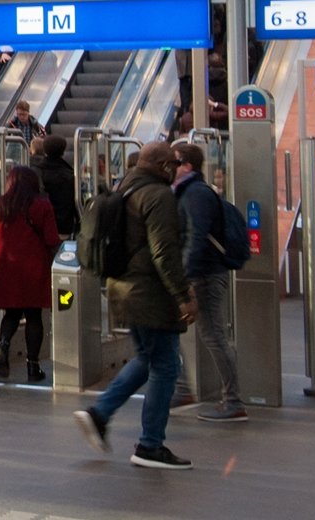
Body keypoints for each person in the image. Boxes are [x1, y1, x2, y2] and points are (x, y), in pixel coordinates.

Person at [72, 143, 198, 471]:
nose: (176, 168)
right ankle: (150, 445)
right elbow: (164, 252)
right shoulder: (158, 196)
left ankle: (99, 414)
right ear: (160, 165)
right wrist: (183, 294)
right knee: (167, 366)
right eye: (174, 163)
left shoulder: (124, 188)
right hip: (150, 293)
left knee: (148, 358)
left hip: (122, 287)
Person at [172, 143, 246, 422]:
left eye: (174, 162)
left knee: (214, 336)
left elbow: (196, 237)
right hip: (199, 273)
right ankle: (182, 388)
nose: (169, 167)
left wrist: (185, 277)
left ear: (187, 165)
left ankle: (234, 401)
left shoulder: (196, 194)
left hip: (205, 275)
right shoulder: (188, 192)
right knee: (177, 330)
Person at [0, 166, 60, 382]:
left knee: (12, 314)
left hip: (5, 267)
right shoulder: (42, 205)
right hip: (34, 268)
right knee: (34, 316)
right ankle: (33, 367)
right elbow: (52, 239)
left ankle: (3, 344)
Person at [30, 135, 79, 238]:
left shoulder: (36, 172)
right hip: (64, 227)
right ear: (63, 152)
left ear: (45, 151)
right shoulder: (70, 174)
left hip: (41, 229)